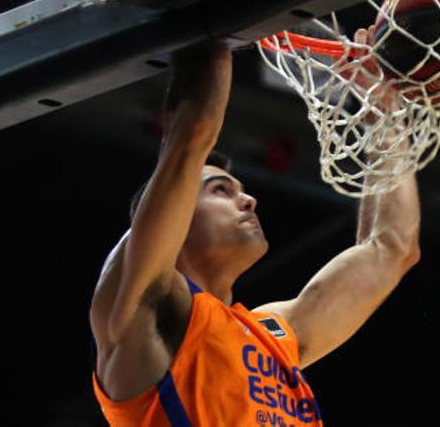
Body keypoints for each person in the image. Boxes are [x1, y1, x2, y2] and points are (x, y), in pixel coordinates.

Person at [89, 36, 420, 426]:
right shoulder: (143, 307)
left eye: (241, 191)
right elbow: (192, 133)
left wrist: (382, 115)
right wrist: (223, 20)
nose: (248, 201)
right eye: (221, 191)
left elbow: (393, 248)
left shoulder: (275, 336)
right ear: (175, 219)